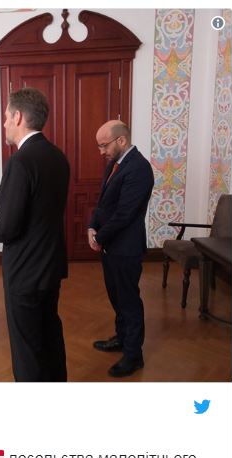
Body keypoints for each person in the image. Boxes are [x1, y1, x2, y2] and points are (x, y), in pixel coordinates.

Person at [0, 88, 70, 381]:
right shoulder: (58, 157)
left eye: (6, 117)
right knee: (50, 335)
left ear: (18, 117)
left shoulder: (20, 162)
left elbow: (7, 228)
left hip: (25, 271)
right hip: (50, 265)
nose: (4, 123)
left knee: (27, 348)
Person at [88, 119, 154, 377]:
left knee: (129, 301)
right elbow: (104, 203)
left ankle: (133, 355)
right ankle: (122, 338)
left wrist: (100, 238)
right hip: (111, 247)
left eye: (104, 145)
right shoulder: (115, 164)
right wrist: (92, 226)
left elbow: (125, 213)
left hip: (126, 248)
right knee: (117, 297)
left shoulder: (139, 168)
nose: (101, 151)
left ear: (122, 140)